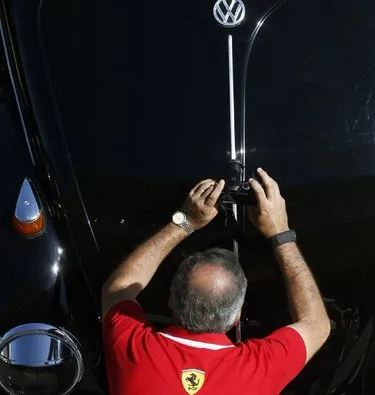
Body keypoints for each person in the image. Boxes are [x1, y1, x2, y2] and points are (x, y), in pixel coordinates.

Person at [102, 168, 331, 395]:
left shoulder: (132, 349)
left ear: (171, 300)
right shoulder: (260, 369)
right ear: (236, 317)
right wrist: (280, 232)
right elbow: (317, 324)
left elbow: (119, 287)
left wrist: (185, 222)